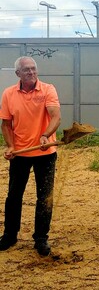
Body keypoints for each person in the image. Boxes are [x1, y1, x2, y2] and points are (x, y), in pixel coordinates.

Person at [0, 56, 61, 256]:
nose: (31, 72)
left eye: (33, 69)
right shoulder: (9, 94)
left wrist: (45, 136)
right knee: (14, 196)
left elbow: (55, 116)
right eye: (26, 70)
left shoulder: (47, 89)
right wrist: (10, 146)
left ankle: (41, 238)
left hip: (46, 152)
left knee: (45, 197)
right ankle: (9, 236)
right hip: (20, 154)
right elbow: (6, 125)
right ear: (18, 73)